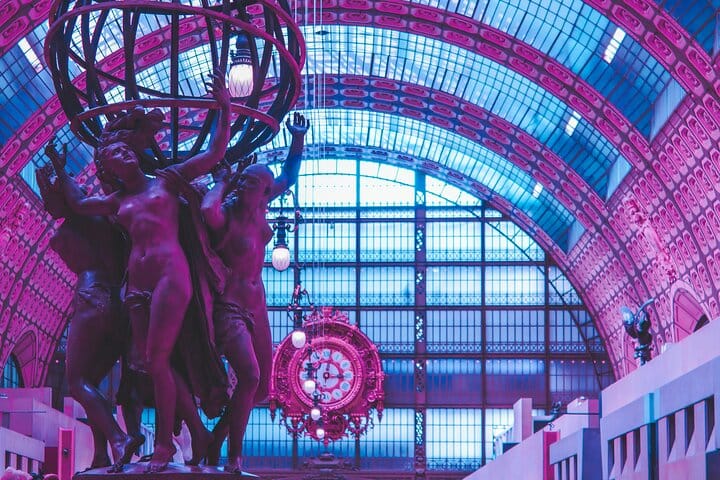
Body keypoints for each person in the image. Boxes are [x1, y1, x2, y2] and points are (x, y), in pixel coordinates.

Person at [50, 70, 231, 472]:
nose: (126, 155)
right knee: (150, 361)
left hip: (170, 275)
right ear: (109, 167)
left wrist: (224, 107)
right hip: (136, 284)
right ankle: (187, 436)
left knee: (158, 357)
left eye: (127, 150)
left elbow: (213, 153)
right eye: (116, 154)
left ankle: (165, 443)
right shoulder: (116, 202)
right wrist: (61, 171)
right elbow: (78, 205)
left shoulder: (167, 180)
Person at [201, 112, 309, 472]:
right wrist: (222, 182)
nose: (250, 188)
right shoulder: (227, 213)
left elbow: (289, 177)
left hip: (256, 305)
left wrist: (297, 139)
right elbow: (207, 210)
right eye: (245, 182)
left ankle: (216, 439)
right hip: (230, 306)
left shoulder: (260, 205)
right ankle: (233, 455)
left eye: (258, 185)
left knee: (261, 388)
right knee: (249, 376)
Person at [35, 159, 144, 470]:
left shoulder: (66, 232)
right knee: (92, 381)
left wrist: (58, 180)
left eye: (50, 198)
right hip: (120, 304)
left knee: (77, 380)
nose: (47, 206)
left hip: (91, 296)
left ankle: (118, 438)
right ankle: (100, 455)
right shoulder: (112, 221)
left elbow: (70, 250)